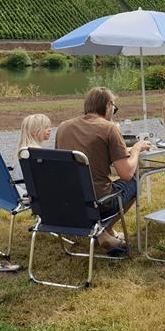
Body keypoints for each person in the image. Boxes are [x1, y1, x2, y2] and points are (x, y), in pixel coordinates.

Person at [55, 87, 151, 253]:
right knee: (134, 183)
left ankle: (106, 232)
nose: (114, 111)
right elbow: (126, 173)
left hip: (68, 200)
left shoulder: (63, 126)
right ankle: (104, 230)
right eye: (114, 107)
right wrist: (136, 149)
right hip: (98, 202)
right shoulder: (109, 128)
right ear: (108, 105)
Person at [14, 113, 52, 196]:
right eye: (46, 127)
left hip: (20, 190)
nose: (50, 129)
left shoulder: (23, 150)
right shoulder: (35, 154)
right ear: (35, 131)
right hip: (30, 194)